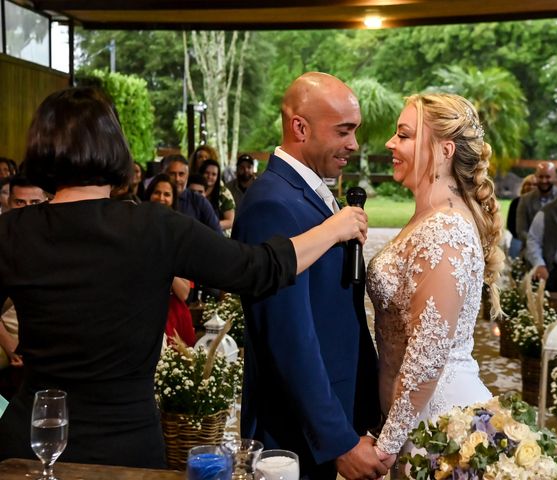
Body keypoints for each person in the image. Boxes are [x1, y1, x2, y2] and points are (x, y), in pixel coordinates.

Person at [0, 86, 368, 468]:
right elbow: (258, 269)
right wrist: (333, 229)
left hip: (32, 436)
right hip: (125, 447)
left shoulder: (11, 232)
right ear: (113, 145)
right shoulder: (154, 227)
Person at [233, 72, 387, 480]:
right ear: (300, 127)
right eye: (344, 130)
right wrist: (337, 440)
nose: (353, 144)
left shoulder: (308, 191)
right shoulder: (273, 205)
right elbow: (290, 340)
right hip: (292, 434)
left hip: (328, 413)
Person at [367, 93, 503, 471]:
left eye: (404, 135)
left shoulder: (444, 229)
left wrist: (387, 446)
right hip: (410, 415)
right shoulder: (428, 217)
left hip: (436, 425)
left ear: (444, 150)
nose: (391, 144)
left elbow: (427, 355)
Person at [145, 174, 196, 347]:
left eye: (167, 194)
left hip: (173, 316)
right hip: (141, 312)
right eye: (156, 192)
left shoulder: (180, 235)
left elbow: (183, 293)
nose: (161, 198)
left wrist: (163, 257)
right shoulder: (135, 229)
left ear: (173, 199)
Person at [164, 154, 223, 234]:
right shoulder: (156, 199)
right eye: (172, 174)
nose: (177, 179)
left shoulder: (199, 201)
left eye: (181, 174)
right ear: (164, 174)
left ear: (187, 175)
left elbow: (217, 234)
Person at [515, 161, 557, 249]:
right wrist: (537, 245)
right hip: (531, 250)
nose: (544, 180)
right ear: (536, 177)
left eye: (548, 177)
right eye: (541, 177)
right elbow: (521, 230)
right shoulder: (525, 199)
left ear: (555, 178)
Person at [199, 159, 236, 232]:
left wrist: (210, 225)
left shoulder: (224, 193)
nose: (209, 176)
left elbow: (230, 222)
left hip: (219, 234)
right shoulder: (194, 188)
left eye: (213, 174)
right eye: (207, 173)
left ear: (218, 176)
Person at [506, 174, 536, 257]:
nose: (531, 186)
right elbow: (510, 223)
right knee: (516, 265)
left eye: (534, 184)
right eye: (528, 184)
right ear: (524, 186)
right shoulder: (516, 202)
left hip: (536, 241)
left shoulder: (540, 204)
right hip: (517, 239)